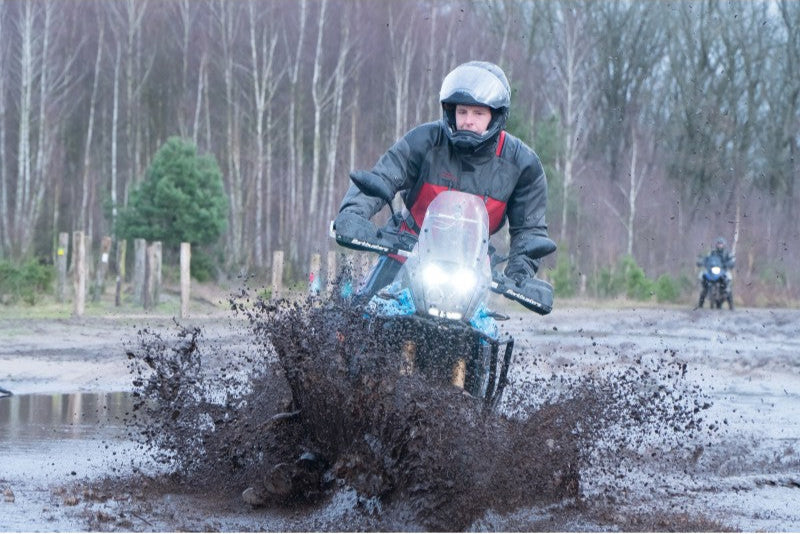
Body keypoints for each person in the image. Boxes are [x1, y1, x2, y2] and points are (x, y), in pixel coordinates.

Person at [333, 60, 551, 299]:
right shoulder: (424, 141)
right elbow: (382, 177)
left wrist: (520, 273)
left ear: (496, 116)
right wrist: (354, 214)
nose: (468, 120)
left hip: (472, 273)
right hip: (405, 255)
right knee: (362, 315)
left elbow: (529, 231)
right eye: (462, 111)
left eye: (478, 113)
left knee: (486, 334)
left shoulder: (523, 165)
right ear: (451, 112)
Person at [697, 236, 736, 308]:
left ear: (724, 245)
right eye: (718, 244)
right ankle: (700, 304)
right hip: (712, 271)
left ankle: (731, 305)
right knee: (704, 283)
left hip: (723, 271)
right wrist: (701, 262)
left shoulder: (727, 253)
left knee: (728, 285)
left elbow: (731, 260)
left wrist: (729, 264)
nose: (720, 245)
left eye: (721, 244)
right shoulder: (712, 253)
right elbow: (706, 259)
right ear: (716, 245)